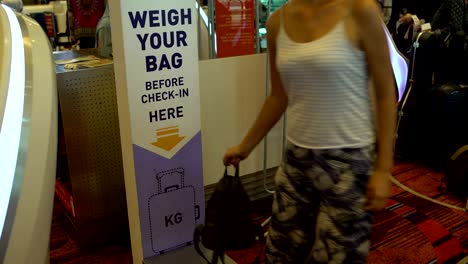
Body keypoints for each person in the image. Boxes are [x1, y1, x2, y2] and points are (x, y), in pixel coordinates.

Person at [223, 0, 397, 263]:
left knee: (336, 256)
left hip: (348, 164)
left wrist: (383, 168)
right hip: (297, 160)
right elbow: (279, 96)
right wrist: (246, 146)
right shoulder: (276, 22)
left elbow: (385, 94)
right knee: (281, 253)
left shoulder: (360, 10)